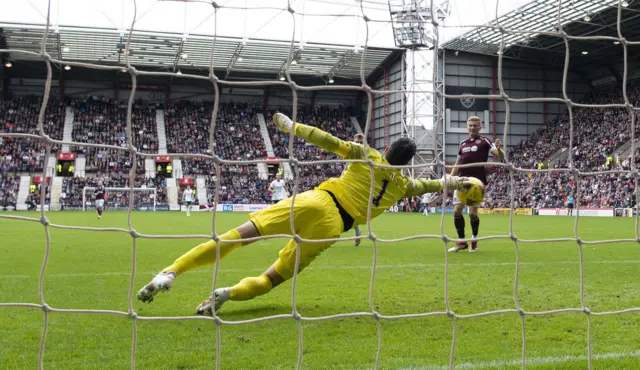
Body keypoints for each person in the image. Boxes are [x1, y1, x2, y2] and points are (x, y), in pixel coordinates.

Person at [137, 112, 472, 315]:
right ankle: (226, 294)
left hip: (316, 200)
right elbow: (434, 184)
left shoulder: (368, 154)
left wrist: (290, 126)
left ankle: (170, 273)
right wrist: (461, 180)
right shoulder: (404, 186)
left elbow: (326, 140)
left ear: (386, 150)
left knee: (236, 238)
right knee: (272, 278)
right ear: (407, 163)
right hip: (332, 227)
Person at [448, 116, 504, 253]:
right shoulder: (462, 144)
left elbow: (500, 156)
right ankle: (462, 242)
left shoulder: (485, 141)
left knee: (472, 213)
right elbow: (457, 163)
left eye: (475, 125)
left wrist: (499, 149)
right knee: (456, 211)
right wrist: (450, 178)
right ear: (467, 126)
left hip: (477, 183)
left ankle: (474, 240)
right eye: (470, 125)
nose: (472, 127)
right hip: (461, 181)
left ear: (480, 127)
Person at [347, 133, 365, 246]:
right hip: (348, 185)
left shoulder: (367, 155)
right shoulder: (350, 153)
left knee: (350, 211)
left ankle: (357, 230)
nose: (358, 144)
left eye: (361, 143)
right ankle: (357, 231)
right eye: (357, 142)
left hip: (359, 187)